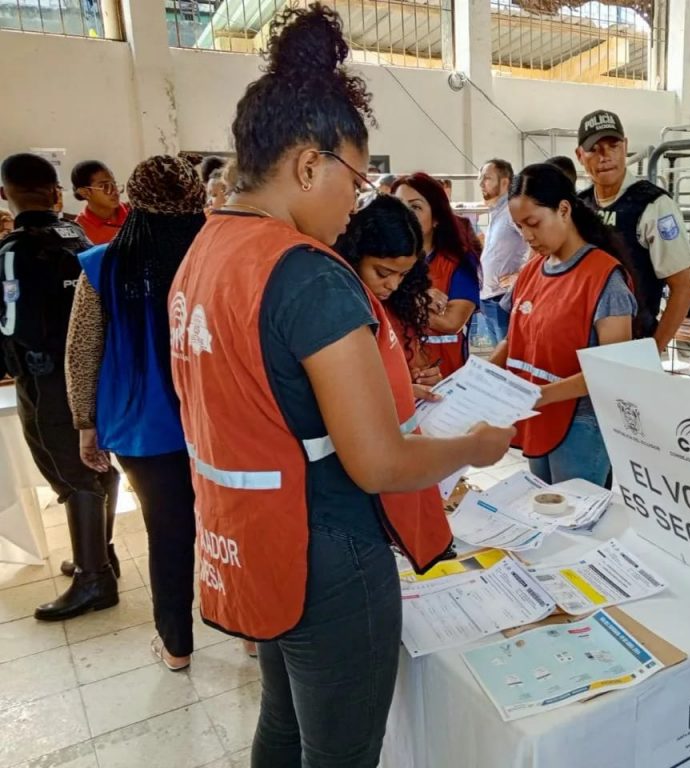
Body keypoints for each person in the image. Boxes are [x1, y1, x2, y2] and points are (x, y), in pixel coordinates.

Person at [167, 5, 513, 765]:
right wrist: (476, 448)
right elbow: (378, 463)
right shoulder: (309, 274)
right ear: (307, 165)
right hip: (326, 551)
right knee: (343, 751)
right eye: (354, 182)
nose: (353, 204)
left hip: (252, 533)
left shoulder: (206, 252)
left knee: (285, 724)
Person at [66, 155, 207, 671]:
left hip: (142, 430)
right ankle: (250, 630)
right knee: (228, 526)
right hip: (217, 424)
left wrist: (86, 423)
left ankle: (175, 647)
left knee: (167, 532)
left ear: (134, 203)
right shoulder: (217, 258)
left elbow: (82, 352)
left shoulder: (103, 265)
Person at [0, 153, 120, 621]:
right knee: (97, 461)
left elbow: (10, 323)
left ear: (8, 194)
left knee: (69, 472)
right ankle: (100, 553)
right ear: (55, 193)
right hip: (93, 372)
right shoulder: (78, 236)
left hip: (45, 378)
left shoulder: (12, 251)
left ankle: (93, 579)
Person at [490, 163, 636, 485]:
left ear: (564, 209)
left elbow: (614, 370)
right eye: (518, 228)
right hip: (537, 415)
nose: (527, 237)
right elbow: (514, 341)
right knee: (544, 508)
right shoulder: (531, 272)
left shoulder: (603, 278)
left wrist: (540, 395)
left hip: (580, 423)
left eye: (533, 223)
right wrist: (479, 377)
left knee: (574, 519)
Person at [576, 110, 690, 348]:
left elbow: (683, 289)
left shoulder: (654, 205)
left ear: (625, 146)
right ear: (580, 155)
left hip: (631, 343)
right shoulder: (580, 205)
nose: (605, 156)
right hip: (581, 341)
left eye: (613, 145)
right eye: (594, 149)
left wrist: (653, 350)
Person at [338, 194, 442, 392]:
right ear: (354, 258)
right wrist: (399, 391)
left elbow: (415, 364)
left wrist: (426, 377)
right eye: (383, 273)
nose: (393, 285)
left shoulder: (402, 305)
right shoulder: (339, 312)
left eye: (403, 275)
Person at [393, 173, 481, 378]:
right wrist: (416, 299)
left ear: (437, 218)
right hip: (397, 378)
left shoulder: (459, 262)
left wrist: (399, 302)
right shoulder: (379, 259)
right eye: (398, 205)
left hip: (445, 379)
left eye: (415, 207)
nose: (404, 215)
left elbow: (451, 322)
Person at [478, 158, 529, 343]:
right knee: (498, 358)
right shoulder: (497, 213)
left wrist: (522, 275)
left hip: (503, 299)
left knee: (506, 359)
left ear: (505, 182)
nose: (481, 183)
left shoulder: (511, 212)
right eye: (480, 178)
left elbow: (538, 243)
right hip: (489, 297)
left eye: (487, 178)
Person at [72, 160, 129, 245]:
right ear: (85, 192)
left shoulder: (133, 212)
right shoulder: (80, 231)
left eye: (114, 184)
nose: (115, 191)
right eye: (105, 186)